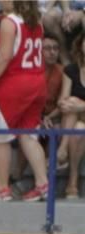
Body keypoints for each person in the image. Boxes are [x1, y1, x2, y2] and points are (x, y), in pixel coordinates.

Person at [0, 0, 48, 202]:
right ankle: (43, 184)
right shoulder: (37, 20)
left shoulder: (9, 21)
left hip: (14, 84)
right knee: (29, 135)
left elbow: (6, 57)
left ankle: (2, 189)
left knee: (1, 138)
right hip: (37, 81)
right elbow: (19, 50)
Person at [58, 32, 85, 196]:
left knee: (74, 104)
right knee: (79, 129)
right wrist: (69, 104)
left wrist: (80, 106)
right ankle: (72, 178)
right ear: (80, 45)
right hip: (76, 120)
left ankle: (62, 150)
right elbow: (62, 101)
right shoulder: (71, 70)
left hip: (78, 112)